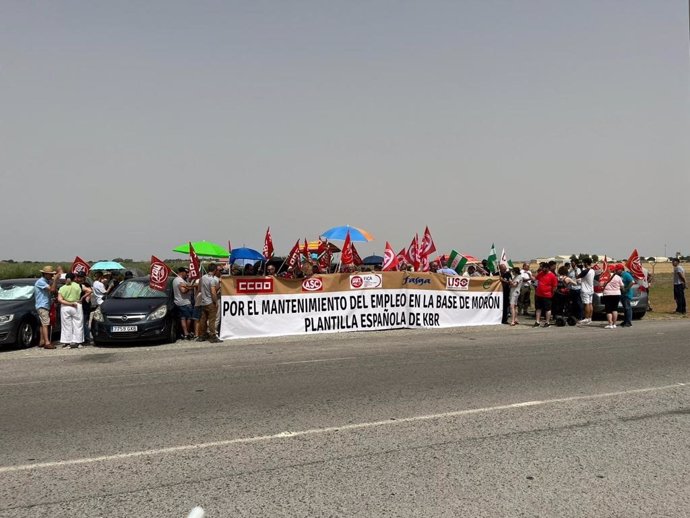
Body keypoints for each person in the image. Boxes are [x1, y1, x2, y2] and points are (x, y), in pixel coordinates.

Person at [34, 265, 62, 349]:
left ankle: (42, 340)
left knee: (43, 323)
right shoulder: (41, 282)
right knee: (46, 323)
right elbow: (52, 290)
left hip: (44, 305)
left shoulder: (46, 281)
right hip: (42, 305)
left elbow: (55, 291)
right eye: (50, 274)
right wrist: (56, 279)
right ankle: (47, 342)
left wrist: (55, 281)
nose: (52, 276)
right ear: (45, 274)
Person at [57, 272, 84, 347]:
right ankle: (78, 342)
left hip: (65, 306)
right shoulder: (78, 286)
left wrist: (69, 304)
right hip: (77, 305)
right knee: (78, 324)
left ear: (66, 279)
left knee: (66, 325)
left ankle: (67, 342)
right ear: (74, 278)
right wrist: (82, 298)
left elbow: (60, 299)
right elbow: (89, 290)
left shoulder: (62, 288)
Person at [197, 263, 222, 343]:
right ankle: (213, 336)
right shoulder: (212, 280)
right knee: (212, 320)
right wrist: (216, 302)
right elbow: (213, 292)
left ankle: (202, 335)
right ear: (215, 270)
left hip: (203, 302)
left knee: (203, 320)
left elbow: (199, 289)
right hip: (210, 302)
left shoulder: (202, 278)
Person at [173, 267, 195, 339]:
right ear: (182, 272)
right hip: (185, 302)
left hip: (179, 302)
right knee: (189, 318)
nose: (187, 274)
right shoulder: (179, 280)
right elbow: (183, 291)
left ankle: (185, 333)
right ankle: (187, 332)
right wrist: (190, 288)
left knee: (183, 318)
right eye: (186, 273)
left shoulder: (176, 280)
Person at [533, 262, 557, 327]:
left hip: (547, 295)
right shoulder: (540, 273)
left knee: (547, 309)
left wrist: (552, 293)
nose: (544, 269)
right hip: (539, 294)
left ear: (548, 268)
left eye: (545, 268)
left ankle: (547, 322)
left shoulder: (552, 275)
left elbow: (555, 286)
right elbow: (535, 279)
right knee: (538, 308)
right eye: (543, 267)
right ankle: (537, 322)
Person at [74, 272, 93, 344]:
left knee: (84, 322)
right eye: (78, 276)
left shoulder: (86, 285)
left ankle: (87, 338)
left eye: (81, 277)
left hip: (85, 306)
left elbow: (89, 294)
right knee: (82, 322)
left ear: (84, 277)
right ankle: (84, 337)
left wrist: (83, 298)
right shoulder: (77, 285)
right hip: (80, 305)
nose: (79, 278)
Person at [577, 257, 596, 324]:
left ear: (586, 263)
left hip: (585, 290)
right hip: (591, 289)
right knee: (590, 304)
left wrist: (579, 269)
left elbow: (578, 276)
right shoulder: (592, 270)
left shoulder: (585, 271)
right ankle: (590, 318)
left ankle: (586, 318)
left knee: (586, 304)